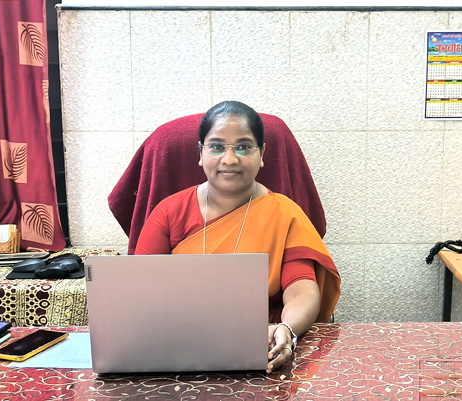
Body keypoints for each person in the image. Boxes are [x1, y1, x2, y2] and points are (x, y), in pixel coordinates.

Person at [135, 101, 341, 374]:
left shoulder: (284, 213)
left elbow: (301, 289)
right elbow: (140, 292)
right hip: (179, 348)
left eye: (243, 147)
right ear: (200, 153)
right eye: (217, 147)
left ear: (262, 153)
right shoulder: (169, 212)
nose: (230, 159)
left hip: (261, 350)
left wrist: (286, 329)